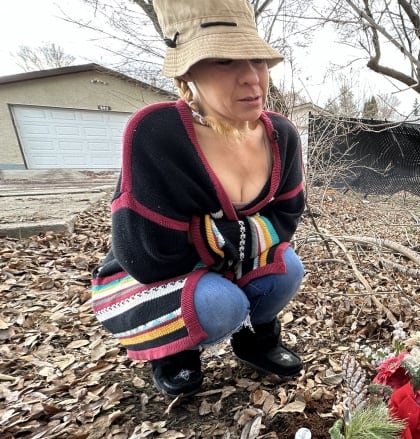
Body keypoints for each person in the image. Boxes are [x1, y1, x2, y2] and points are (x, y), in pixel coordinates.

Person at [90, 0, 305, 398]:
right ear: (188, 71)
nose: (252, 79)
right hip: (147, 279)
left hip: (223, 261)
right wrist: (241, 243)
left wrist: (203, 232)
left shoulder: (281, 135)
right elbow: (150, 255)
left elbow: (288, 217)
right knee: (220, 304)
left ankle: (256, 339)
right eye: (224, 61)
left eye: (258, 61)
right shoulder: (157, 132)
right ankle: (175, 350)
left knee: (288, 268)